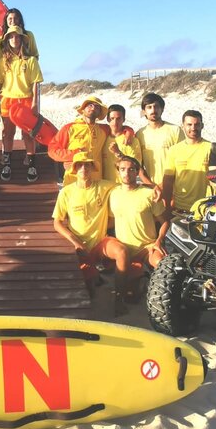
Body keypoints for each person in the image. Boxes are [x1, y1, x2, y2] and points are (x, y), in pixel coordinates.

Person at [109, 155, 169, 313]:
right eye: (123, 169)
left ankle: (163, 301)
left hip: (146, 247)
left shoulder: (148, 194)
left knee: (161, 263)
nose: (126, 173)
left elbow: (165, 222)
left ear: (137, 172)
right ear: (118, 172)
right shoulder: (113, 194)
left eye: (131, 169)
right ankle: (120, 298)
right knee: (132, 296)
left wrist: (159, 241)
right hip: (124, 248)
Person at [51, 150, 118, 288]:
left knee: (121, 252)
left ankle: (121, 290)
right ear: (75, 169)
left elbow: (129, 187)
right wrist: (76, 243)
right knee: (86, 283)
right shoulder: (66, 192)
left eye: (87, 165)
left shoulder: (105, 186)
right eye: (80, 165)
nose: (84, 168)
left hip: (101, 243)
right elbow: (57, 223)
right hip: (78, 245)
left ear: (92, 167)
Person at [0, 27, 43, 182]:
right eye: (11, 37)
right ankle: (7, 164)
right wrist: (0, 94)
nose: (14, 39)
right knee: (7, 134)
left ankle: (32, 165)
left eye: (17, 36)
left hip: (26, 100)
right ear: (7, 40)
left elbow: (36, 83)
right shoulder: (3, 61)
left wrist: (35, 103)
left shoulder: (31, 60)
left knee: (28, 135)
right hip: (8, 101)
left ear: (22, 39)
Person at [49, 96, 114, 186]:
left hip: (96, 181)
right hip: (73, 180)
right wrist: (73, 155)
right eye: (90, 105)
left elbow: (120, 129)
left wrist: (128, 131)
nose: (93, 108)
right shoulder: (70, 128)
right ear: (83, 109)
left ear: (99, 112)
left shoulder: (104, 129)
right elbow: (52, 150)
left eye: (97, 107)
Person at [162, 110, 213, 214]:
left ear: (202, 126)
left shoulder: (211, 148)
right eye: (189, 124)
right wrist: (167, 206)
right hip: (180, 207)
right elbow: (168, 180)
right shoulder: (174, 150)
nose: (193, 128)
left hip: (205, 207)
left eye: (197, 124)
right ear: (183, 126)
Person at [135, 92, 184, 186]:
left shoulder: (175, 130)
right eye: (149, 107)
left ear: (162, 109)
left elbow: (182, 163)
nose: (153, 110)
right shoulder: (140, 134)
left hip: (175, 187)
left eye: (156, 106)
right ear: (144, 111)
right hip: (151, 188)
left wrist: (163, 185)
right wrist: (152, 186)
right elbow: (138, 166)